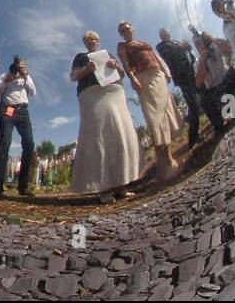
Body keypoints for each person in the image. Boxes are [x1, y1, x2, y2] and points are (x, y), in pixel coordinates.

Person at [70, 31, 142, 203]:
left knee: (118, 134)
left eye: (94, 38)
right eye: (88, 40)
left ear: (99, 40)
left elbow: (122, 74)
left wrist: (116, 66)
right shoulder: (80, 57)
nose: (92, 41)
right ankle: (104, 188)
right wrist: (86, 70)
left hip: (114, 93)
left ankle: (121, 185)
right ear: (85, 43)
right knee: (98, 137)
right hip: (92, 95)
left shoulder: (107, 54)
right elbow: (73, 76)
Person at [117, 22, 181, 182]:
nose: (126, 31)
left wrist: (165, 71)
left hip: (157, 76)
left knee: (166, 113)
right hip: (143, 78)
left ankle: (169, 158)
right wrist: (133, 79)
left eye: (128, 28)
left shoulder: (144, 43)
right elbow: (125, 64)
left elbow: (156, 58)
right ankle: (164, 162)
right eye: (122, 30)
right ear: (121, 34)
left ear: (133, 29)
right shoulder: (123, 46)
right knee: (154, 117)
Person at [0, 56, 36, 197]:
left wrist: (26, 75)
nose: (18, 69)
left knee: (29, 144)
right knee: (4, 144)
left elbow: (33, 92)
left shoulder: (26, 78)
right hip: (8, 110)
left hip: (23, 111)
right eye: (17, 66)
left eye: (21, 67)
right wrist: (5, 81)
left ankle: (23, 186)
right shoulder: (5, 76)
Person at [156, 27, 202, 146]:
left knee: (204, 93)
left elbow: (188, 50)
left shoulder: (176, 42)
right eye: (163, 33)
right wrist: (180, 47)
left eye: (166, 32)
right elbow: (168, 55)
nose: (166, 34)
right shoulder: (161, 46)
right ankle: (193, 137)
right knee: (192, 104)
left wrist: (187, 46)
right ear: (161, 36)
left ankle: (217, 119)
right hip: (183, 77)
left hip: (192, 71)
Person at [192, 28, 232, 135]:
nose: (198, 44)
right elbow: (198, 83)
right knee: (204, 100)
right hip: (216, 92)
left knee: (231, 112)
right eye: (196, 43)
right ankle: (220, 126)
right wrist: (203, 58)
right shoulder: (198, 63)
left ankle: (230, 112)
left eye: (200, 41)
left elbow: (228, 50)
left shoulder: (215, 47)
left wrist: (212, 38)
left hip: (227, 82)